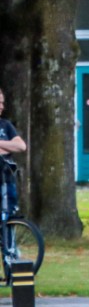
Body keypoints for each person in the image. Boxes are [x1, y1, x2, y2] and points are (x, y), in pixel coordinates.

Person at [0, 87, 26, 221]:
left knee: (9, 218)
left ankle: (10, 243)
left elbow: (21, 146)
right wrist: (8, 146)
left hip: (7, 179)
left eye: (2, 103)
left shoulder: (6, 125)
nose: (1, 107)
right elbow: (12, 147)